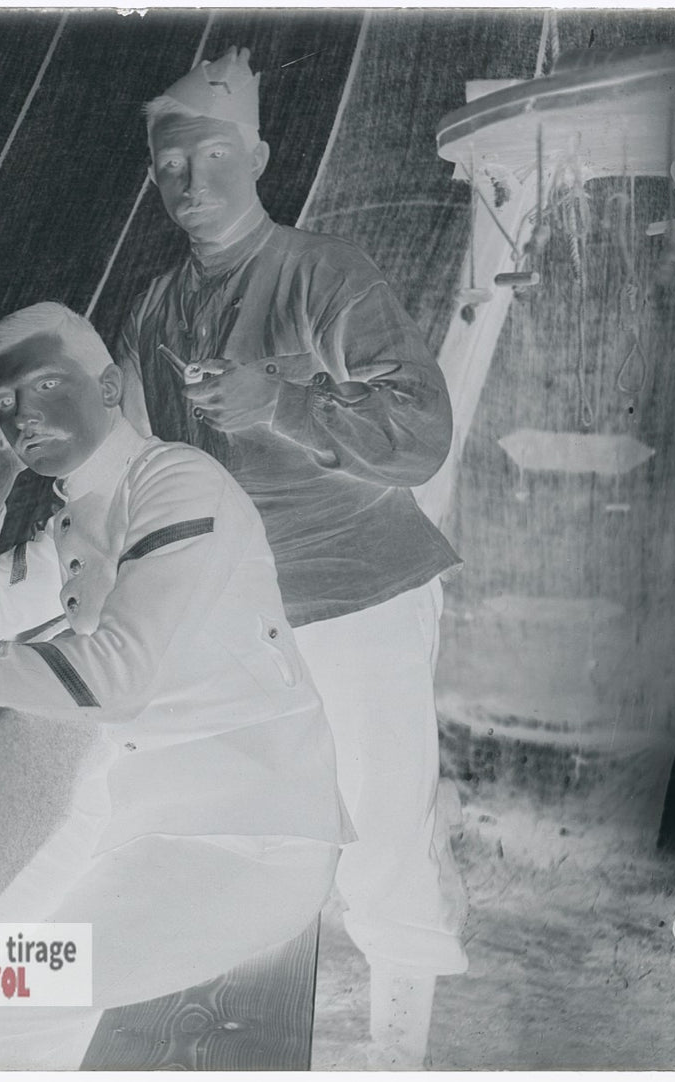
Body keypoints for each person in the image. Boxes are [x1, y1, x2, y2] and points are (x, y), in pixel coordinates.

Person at [0, 301, 351, 1070]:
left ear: (109, 388)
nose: (22, 415)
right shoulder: (73, 518)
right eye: (5, 401)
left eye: (47, 385)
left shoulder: (177, 482)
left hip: (245, 836)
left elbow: (113, 678)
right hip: (134, 822)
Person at [116, 46, 469, 1069]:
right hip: (239, 621)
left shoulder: (324, 273)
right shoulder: (152, 309)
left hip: (353, 598)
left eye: (207, 155)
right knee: (255, 835)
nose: (186, 181)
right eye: (166, 165)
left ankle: (399, 1050)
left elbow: (419, 435)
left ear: (257, 154)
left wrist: (284, 401)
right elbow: (149, 467)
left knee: (382, 835)